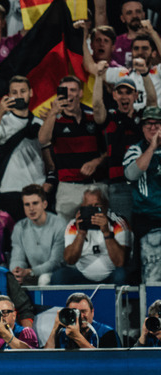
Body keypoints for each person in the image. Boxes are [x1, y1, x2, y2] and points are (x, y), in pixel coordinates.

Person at [39, 75, 107, 222]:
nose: (69, 94)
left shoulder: (93, 119)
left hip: (95, 186)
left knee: (99, 232)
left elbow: (108, 151)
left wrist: (96, 162)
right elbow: (43, 139)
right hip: (68, 188)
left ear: (80, 93)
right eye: (65, 90)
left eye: (73, 90)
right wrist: (52, 112)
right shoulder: (54, 121)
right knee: (66, 235)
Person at [0, 75, 47, 222]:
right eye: (15, 92)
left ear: (31, 92)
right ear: (9, 95)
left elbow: (47, 154)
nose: (19, 95)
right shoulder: (2, 121)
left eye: (23, 91)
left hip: (36, 187)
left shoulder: (40, 122)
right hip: (9, 189)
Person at [51, 189, 130, 286]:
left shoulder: (118, 223)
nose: (93, 211)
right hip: (82, 275)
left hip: (111, 275)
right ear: (82, 207)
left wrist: (106, 232)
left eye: (97, 206)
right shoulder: (74, 224)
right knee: (58, 276)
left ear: (105, 205)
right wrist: (81, 233)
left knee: (121, 275)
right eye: (88, 207)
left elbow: (120, 262)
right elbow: (70, 260)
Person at [95, 70, 143, 224]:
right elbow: (96, 105)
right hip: (118, 185)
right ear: (114, 96)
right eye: (120, 92)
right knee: (123, 235)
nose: (124, 96)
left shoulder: (143, 120)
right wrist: (97, 76)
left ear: (136, 96)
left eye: (128, 92)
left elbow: (154, 101)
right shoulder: (109, 118)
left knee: (146, 234)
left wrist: (147, 73)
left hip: (143, 185)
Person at [123, 106, 161, 283]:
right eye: (148, 124)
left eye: (157, 124)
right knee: (151, 275)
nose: (153, 128)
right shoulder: (135, 150)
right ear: (143, 127)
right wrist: (152, 147)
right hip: (148, 221)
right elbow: (131, 174)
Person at [10, 185, 66, 286]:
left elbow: (56, 262)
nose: (31, 208)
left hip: (57, 273)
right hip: (32, 272)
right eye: (27, 204)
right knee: (12, 279)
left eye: (35, 203)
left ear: (44, 204)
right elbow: (17, 257)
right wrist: (17, 271)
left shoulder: (59, 224)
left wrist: (31, 272)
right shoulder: (20, 227)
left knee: (44, 279)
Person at [44, 292, 120, 349]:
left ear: (92, 312)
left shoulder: (107, 333)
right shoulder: (63, 334)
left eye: (83, 311)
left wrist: (77, 337)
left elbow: (107, 362)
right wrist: (54, 328)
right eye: (75, 312)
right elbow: (46, 359)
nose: (80, 316)